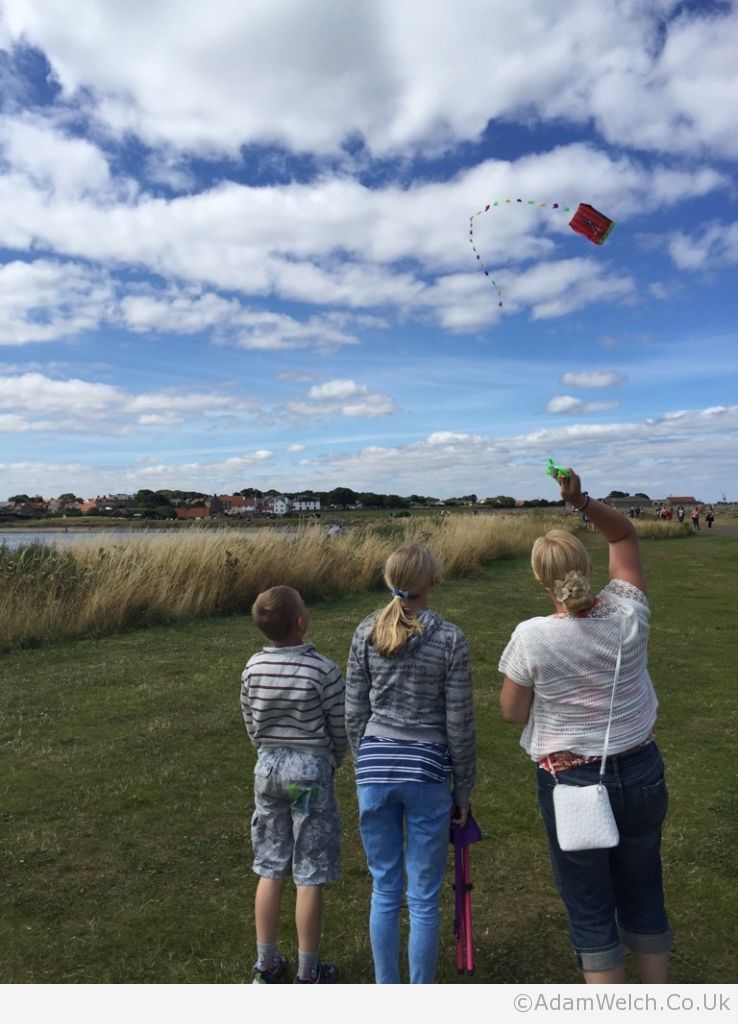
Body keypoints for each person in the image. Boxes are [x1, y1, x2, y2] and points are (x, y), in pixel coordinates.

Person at [498, 471, 671, 984]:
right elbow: (623, 534)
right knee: (644, 889)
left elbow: (511, 712)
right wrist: (581, 501)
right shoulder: (629, 611)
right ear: (589, 567)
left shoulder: (532, 638)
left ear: (538, 579)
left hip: (571, 782)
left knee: (592, 909)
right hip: (641, 768)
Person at [346, 543, 476, 984]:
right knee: (422, 897)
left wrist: (362, 760)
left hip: (375, 767)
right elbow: (459, 721)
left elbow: (354, 713)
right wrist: (464, 790)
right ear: (433, 582)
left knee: (384, 888)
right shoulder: (449, 638)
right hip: (427, 771)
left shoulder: (366, 631)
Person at [241, 585, 347, 984]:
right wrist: (334, 758)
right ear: (301, 622)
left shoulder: (252, 668)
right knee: (308, 868)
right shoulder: (321, 669)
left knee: (270, 865)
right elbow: (340, 724)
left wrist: (266, 751)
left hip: (268, 770)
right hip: (309, 774)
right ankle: (308, 971)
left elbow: (251, 719)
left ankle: (265, 965)